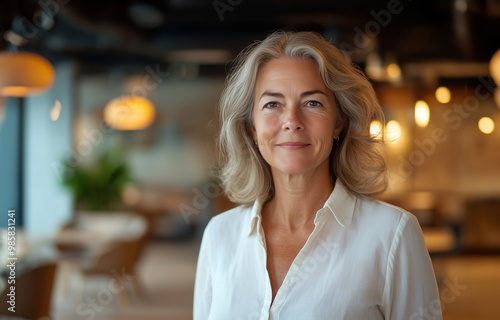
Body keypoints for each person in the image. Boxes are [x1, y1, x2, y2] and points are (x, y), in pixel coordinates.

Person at [194, 31, 442, 320]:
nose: (292, 122)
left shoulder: (393, 235)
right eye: (272, 104)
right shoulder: (219, 236)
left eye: (312, 103)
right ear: (251, 126)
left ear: (339, 122)